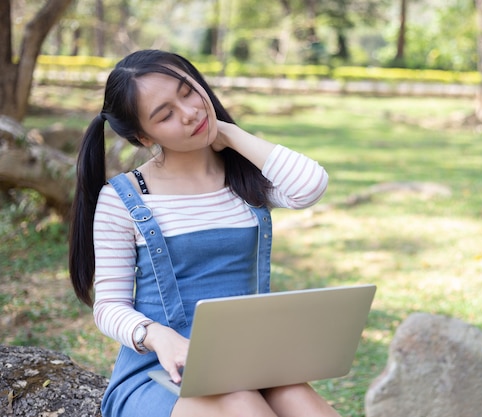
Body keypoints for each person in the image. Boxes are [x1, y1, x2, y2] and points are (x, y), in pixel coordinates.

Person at [69, 49, 339, 417]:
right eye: (165, 115)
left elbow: (310, 185)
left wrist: (227, 132)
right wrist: (158, 337)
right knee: (242, 406)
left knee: (307, 407)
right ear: (144, 137)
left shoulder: (245, 179)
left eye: (187, 91)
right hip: (160, 371)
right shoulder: (124, 199)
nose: (189, 112)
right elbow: (108, 307)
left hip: (247, 361)